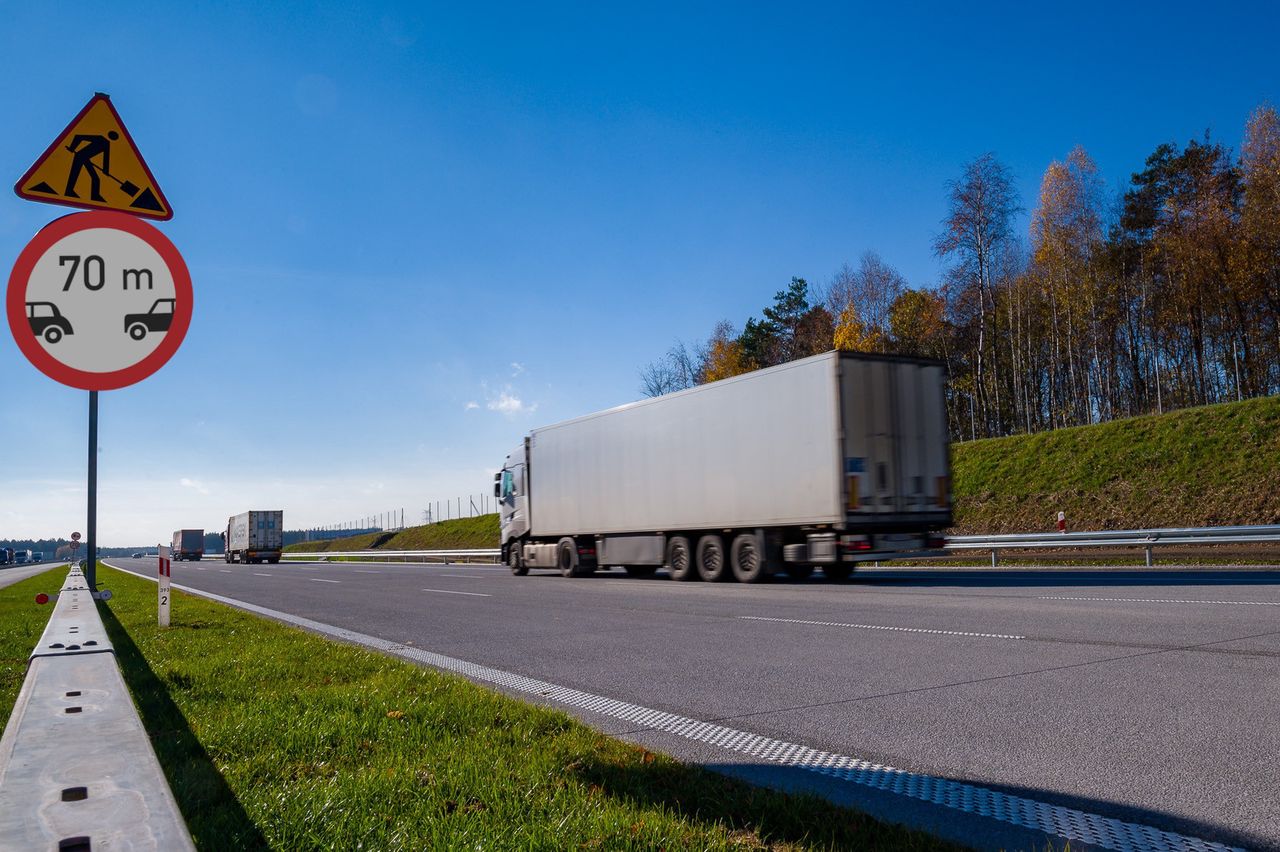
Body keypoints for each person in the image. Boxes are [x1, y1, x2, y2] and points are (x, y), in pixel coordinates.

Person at [63, 130, 120, 202]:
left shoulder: (106, 144)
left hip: (85, 158)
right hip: (80, 156)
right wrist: (72, 148)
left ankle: (94, 196)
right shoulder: (100, 139)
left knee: (95, 178)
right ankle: (69, 191)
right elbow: (78, 137)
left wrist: (106, 170)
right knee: (75, 174)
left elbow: (106, 158)